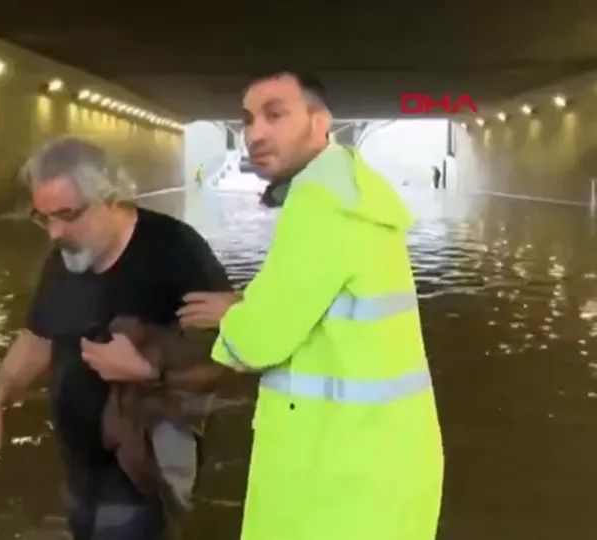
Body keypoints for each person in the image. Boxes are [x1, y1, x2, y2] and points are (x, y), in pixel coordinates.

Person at [178, 72, 444, 540]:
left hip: (335, 479)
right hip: (381, 460)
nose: (255, 133)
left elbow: (255, 343)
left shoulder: (319, 203)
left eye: (275, 115)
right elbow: (315, 296)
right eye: (248, 120)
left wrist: (230, 319)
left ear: (321, 123)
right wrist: (247, 302)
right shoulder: (352, 192)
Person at [0, 136, 234, 540]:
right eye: (42, 218)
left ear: (111, 198)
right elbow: (38, 337)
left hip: (145, 464)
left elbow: (228, 354)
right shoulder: (63, 258)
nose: (54, 232)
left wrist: (149, 370)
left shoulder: (176, 250)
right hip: (79, 467)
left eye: (67, 214)